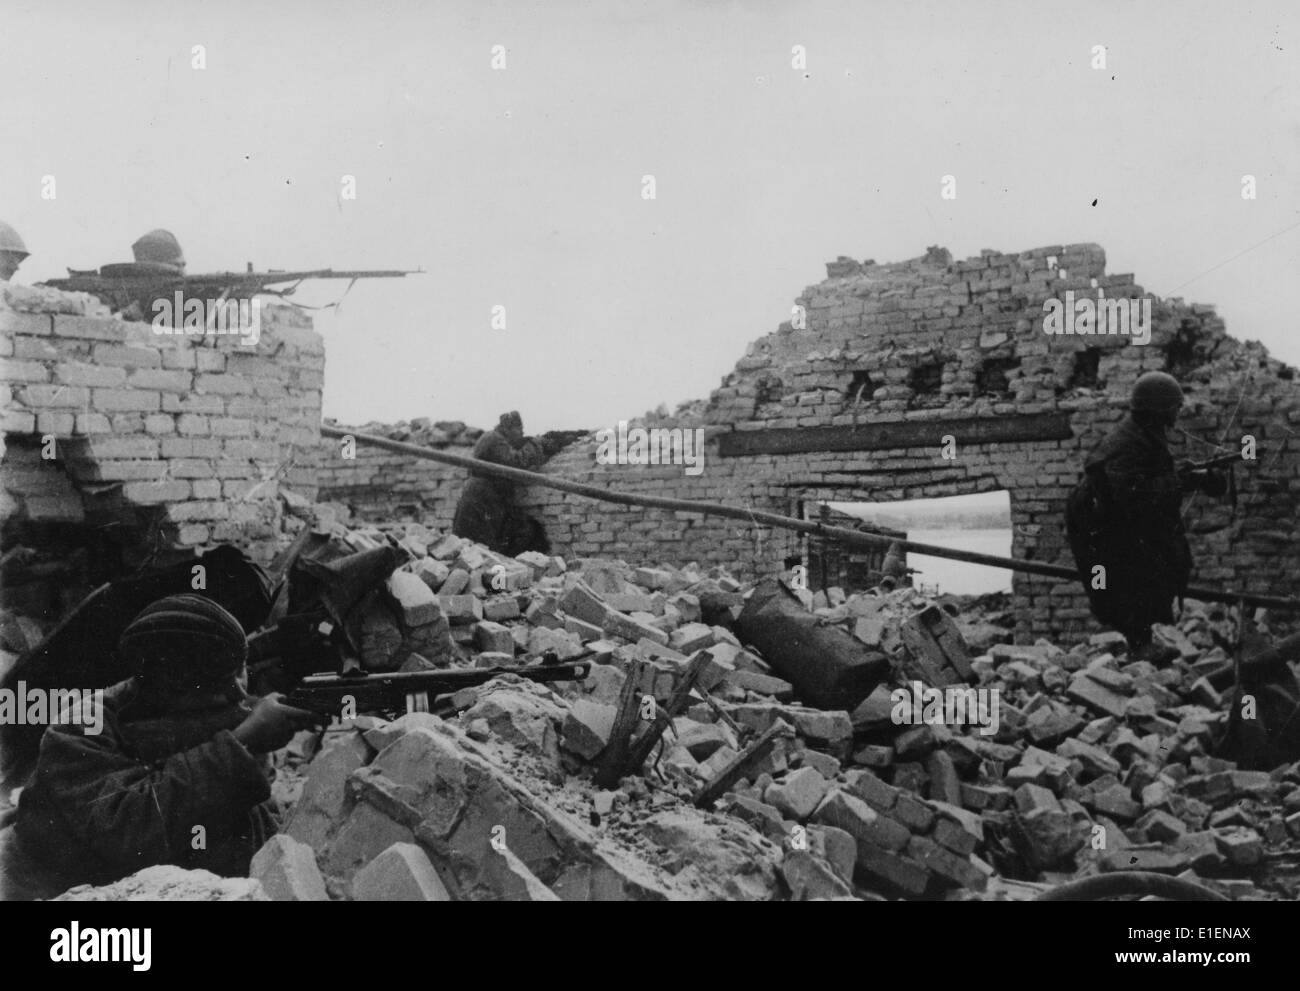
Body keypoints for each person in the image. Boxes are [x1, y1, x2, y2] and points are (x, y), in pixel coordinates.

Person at [0, 594, 319, 900]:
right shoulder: (79, 729)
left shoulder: (202, 714)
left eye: (240, 671)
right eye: (217, 683)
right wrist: (241, 744)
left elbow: (255, 819)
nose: (238, 691)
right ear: (162, 686)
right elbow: (126, 827)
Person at [1066, 371, 1228, 664]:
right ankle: (1139, 645)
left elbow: (1149, 478)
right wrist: (1183, 481)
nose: (1178, 411)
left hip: (1112, 517)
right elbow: (1132, 493)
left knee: (1164, 561)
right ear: (1160, 409)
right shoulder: (1129, 441)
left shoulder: (1143, 433)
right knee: (1135, 574)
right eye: (1175, 406)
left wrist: (1192, 477)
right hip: (1101, 523)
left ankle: (1143, 641)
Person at [452, 411, 552, 555]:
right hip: (483, 500)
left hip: (486, 499)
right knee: (482, 547)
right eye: (519, 429)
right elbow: (515, 462)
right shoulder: (494, 439)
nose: (521, 433)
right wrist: (533, 446)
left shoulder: (494, 439)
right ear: (507, 429)